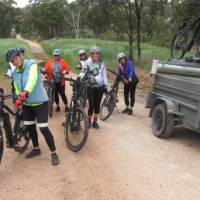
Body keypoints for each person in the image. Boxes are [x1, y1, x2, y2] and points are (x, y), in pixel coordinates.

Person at [8, 48, 59, 166]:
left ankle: (54, 152)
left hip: (40, 102)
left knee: (43, 128)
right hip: (27, 104)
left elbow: (32, 80)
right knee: (30, 127)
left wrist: (25, 91)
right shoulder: (15, 72)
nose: (15, 62)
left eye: (16, 58)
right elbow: (16, 86)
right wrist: (18, 96)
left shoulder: (32, 65)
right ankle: (36, 149)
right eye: (12, 61)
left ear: (20, 56)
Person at [85, 45, 108, 129]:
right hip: (90, 86)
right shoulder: (88, 62)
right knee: (91, 104)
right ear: (91, 54)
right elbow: (83, 72)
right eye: (93, 53)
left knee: (97, 105)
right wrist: (80, 78)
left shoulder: (102, 62)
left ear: (99, 54)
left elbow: (104, 74)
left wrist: (105, 85)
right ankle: (88, 121)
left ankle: (95, 122)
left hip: (100, 86)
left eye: (97, 53)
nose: (95, 55)